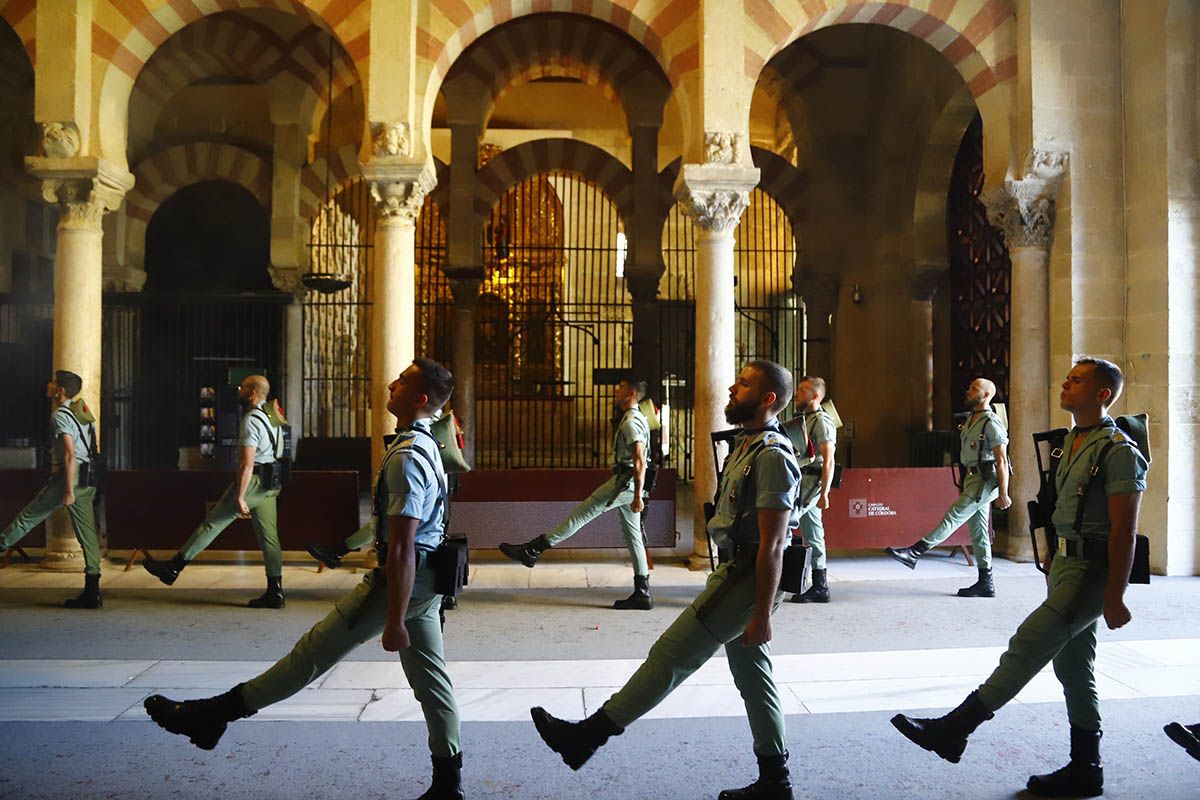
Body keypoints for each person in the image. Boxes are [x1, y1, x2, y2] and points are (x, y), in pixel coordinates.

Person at [144, 359, 466, 800]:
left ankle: (214, 715)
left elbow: (403, 546)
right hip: (427, 581)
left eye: (403, 381)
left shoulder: (409, 455)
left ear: (420, 398)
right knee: (433, 682)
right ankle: (449, 786)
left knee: (311, 654)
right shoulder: (428, 443)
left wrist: (393, 620)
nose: (391, 383)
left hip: (403, 582)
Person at [529, 360, 801, 800]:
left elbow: (774, 544)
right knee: (755, 679)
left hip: (748, 579)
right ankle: (776, 781)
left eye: (745, 384)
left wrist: (763, 614)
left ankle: (588, 737)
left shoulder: (771, 454)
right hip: (740, 571)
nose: (732, 387)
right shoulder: (750, 445)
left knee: (670, 655)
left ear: (768, 399)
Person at [890, 358, 1147, 798]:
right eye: (1067, 377)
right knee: (1074, 667)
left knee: (1027, 644)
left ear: (1104, 393)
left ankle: (956, 729)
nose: (1066, 384)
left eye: (1078, 380)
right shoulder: (1070, 443)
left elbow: (1124, 530)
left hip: (1091, 570)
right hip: (1064, 566)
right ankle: (1087, 767)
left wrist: (1116, 594)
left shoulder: (1118, 450)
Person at [499, 377, 653, 610]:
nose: (615, 389)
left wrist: (638, 495)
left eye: (620, 387)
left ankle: (531, 550)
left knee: (579, 516)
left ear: (631, 393)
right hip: (628, 483)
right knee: (634, 539)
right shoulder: (639, 416)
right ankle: (643, 593)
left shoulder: (631, 421)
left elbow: (639, 460)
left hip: (623, 484)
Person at [142, 374, 287, 608]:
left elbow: (246, 463)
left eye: (242, 388)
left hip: (253, 482)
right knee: (270, 538)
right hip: (272, 483)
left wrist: (240, 496)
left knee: (213, 523)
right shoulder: (273, 417)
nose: (238, 390)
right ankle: (275, 591)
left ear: (251, 393)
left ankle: (173, 568)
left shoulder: (250, 420)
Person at [885, 377, 1011, 597]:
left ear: (987, 395)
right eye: (970, 386)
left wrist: (1004, 492)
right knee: (979, 531)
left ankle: (915, 552)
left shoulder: (991, 422)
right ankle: (986, 582)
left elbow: (1001, 460)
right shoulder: (972, 420)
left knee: (954, 515)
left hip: (985, 479)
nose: (969, 390)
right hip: (973, 478)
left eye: (975, 389)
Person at [1, 371, 102, 609]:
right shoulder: (82, 411)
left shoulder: (60, 416)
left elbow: (69, 453)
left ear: (61, 390)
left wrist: (68, 489)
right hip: (89, 475)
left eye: (53, 382)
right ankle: (92, 591)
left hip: (72, 475)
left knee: (30, 516)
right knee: (88, 534)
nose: (48, 384)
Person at [783, 376, 836, 604]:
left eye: (803, 390)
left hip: (811, 485)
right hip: (803, 482)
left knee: (784, 525)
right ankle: (820, 586)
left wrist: (824, 492)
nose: (797, 393)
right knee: (814, 533)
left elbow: (829, 460)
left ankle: (780, 579)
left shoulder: (822, 422)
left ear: (815, 396)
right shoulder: (807, 420)